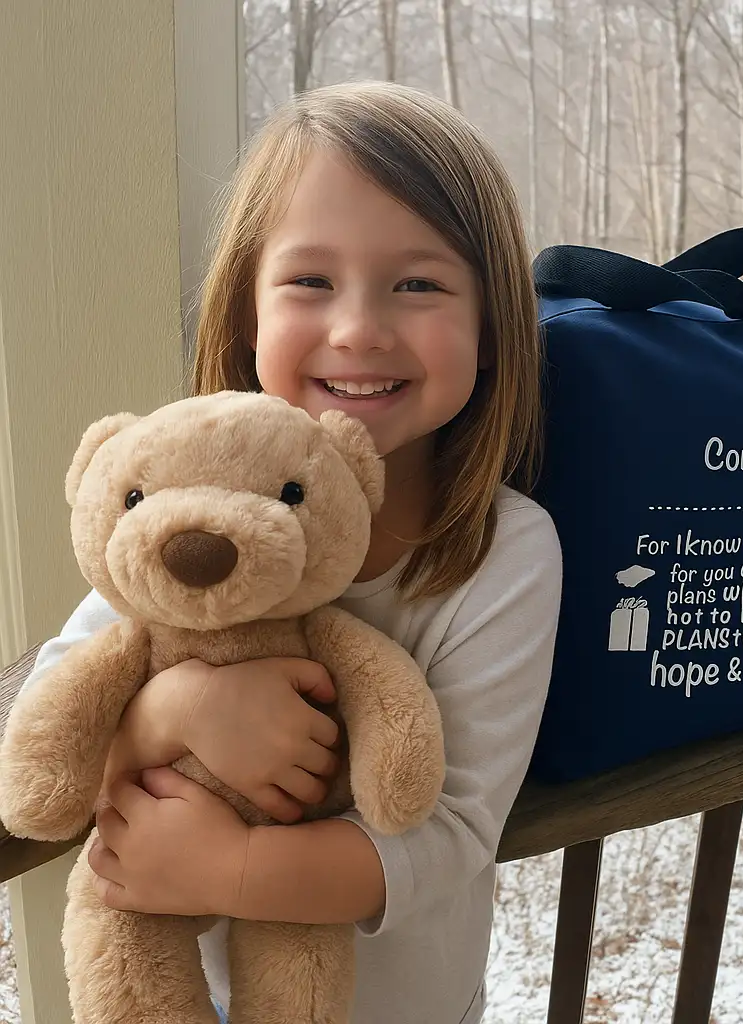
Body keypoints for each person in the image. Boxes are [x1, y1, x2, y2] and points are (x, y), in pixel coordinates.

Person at [24, 81, 562, 1024]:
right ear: (246, 315)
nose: (358, 327)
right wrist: (175, 711)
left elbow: (447, 832)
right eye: (310, 281)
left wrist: (234, 869)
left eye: (420, 283)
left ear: (491, 328)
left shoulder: (503, 555)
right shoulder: (180, 509)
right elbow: (46, 727)